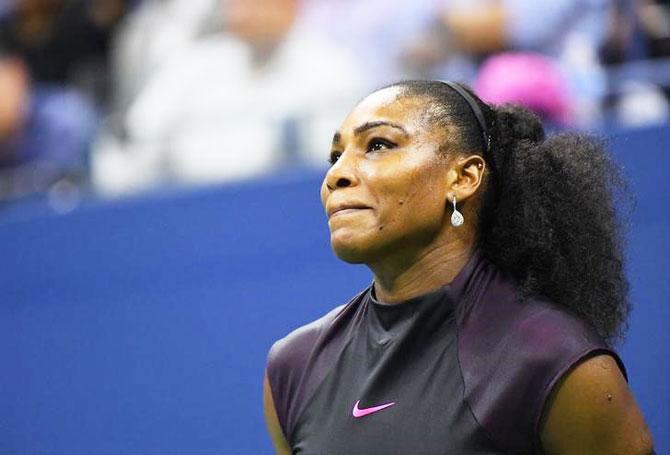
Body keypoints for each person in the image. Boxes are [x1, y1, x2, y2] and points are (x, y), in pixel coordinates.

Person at [263, 80, 654, 454]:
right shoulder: (294, 366)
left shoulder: (552, 359)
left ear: (464, 178)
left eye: (378, 145)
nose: (336, 175)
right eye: (336, 156)